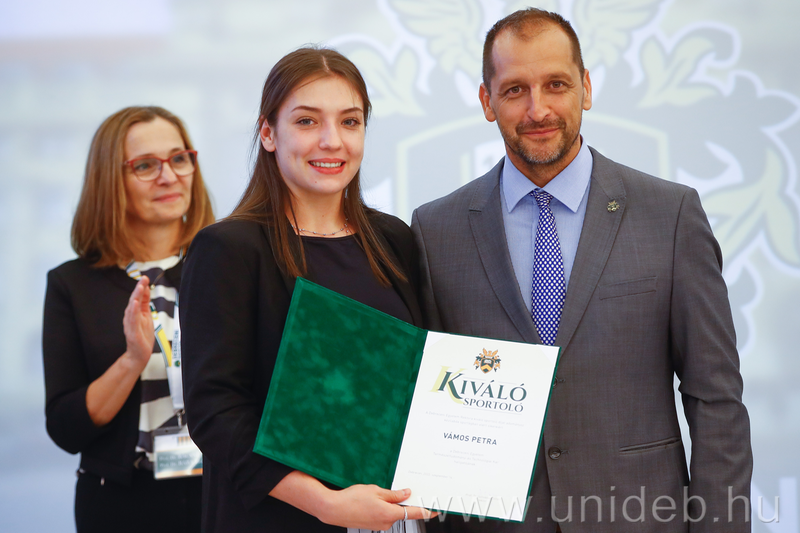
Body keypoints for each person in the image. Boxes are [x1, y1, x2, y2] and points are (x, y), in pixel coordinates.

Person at [411, 8, 752, 533]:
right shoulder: (436, 231)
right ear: (486, 102)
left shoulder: (670, 215)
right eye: (515, 90)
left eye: (556, 84)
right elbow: (428, 409)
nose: (538, 109)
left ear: (586, 88)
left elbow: (716, 400)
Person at [179, 47, 433, 533]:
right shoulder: (227, 249)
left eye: (350, 122)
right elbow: (215, 412)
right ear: (268, 133)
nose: (332, 141)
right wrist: (327, 504)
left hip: (393, 515)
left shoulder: (393, 239)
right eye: (307, 121)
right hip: (279, 521)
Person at [43, 106, 215, 532]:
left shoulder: (229, 266)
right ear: (110, 182)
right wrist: (131, 361)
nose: (169, 176)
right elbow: (66, 430)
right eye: (145, 165)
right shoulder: (72, 284)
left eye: (178, 159)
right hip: (120, 503)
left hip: (222, 494)